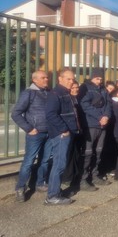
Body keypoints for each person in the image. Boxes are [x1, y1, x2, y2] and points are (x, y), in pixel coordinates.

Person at [11, 71, 51, 202]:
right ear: (35, 80)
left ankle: (40, 184)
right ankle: (20, 188)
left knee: (44, 160)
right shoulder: (28, 93)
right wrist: (29, 128)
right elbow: (16, 113)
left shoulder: (49, 92)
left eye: (47, 77)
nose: (46, 79)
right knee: (29, 161)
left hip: (49, 133)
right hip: (35, 133)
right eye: (43, 77)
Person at [45, 68, 80, 205]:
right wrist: (64, 129)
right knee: (59, 164)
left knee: (60, 164)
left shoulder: (65, 93)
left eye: (72, 79)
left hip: (67, 133)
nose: (71, 82)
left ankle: (55, 191)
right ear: (60, 78)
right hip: (61, 134)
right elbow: (51, 114)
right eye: (68, 79)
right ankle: (52, 196)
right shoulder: (56, 94)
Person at [78, 68, 112, 190]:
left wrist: (107, 116)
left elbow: (108, 103)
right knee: (88, 152)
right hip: (91, 124)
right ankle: (83, 179)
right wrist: (100, 117)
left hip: (102, 124)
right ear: (92, 77)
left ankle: (95, 175)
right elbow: (84, 105)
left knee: (99, 150)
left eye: (101, 79)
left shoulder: (103, 89)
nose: (99, 81)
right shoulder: (85, 87)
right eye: (97, 78)